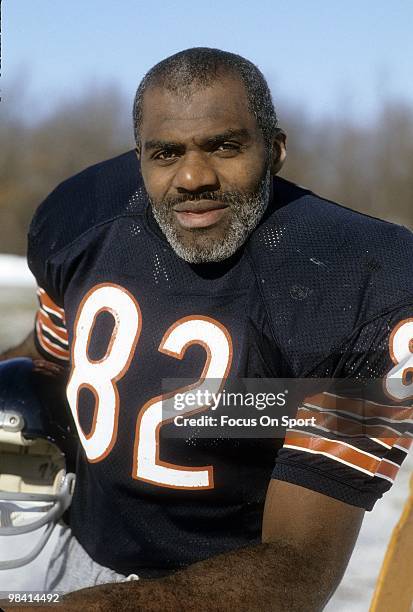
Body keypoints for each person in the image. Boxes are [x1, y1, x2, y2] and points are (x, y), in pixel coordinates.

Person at [1, 47, 413, 612]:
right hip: (73, 547)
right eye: (165, 153)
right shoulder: (80, 215)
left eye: (224, 145)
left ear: (276, 149)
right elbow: (48, 357)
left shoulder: (366, 277)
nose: (193, 177)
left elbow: (300, 564)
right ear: (138, 156)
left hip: (230, 589)